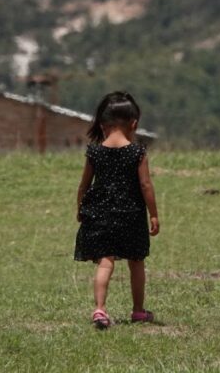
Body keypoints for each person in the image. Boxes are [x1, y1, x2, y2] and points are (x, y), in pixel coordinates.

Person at [74, 91, 160, 329]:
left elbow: (84, 185)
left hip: (100, 213)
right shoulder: (137, 152)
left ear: (102, 125)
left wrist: (80, 207)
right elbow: (145, 185)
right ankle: (138, 311)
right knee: (136, 261)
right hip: (131, 214)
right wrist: (153, 213)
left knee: (105, 262)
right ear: (134, 124)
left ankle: (100, 310)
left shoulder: (94, 152)